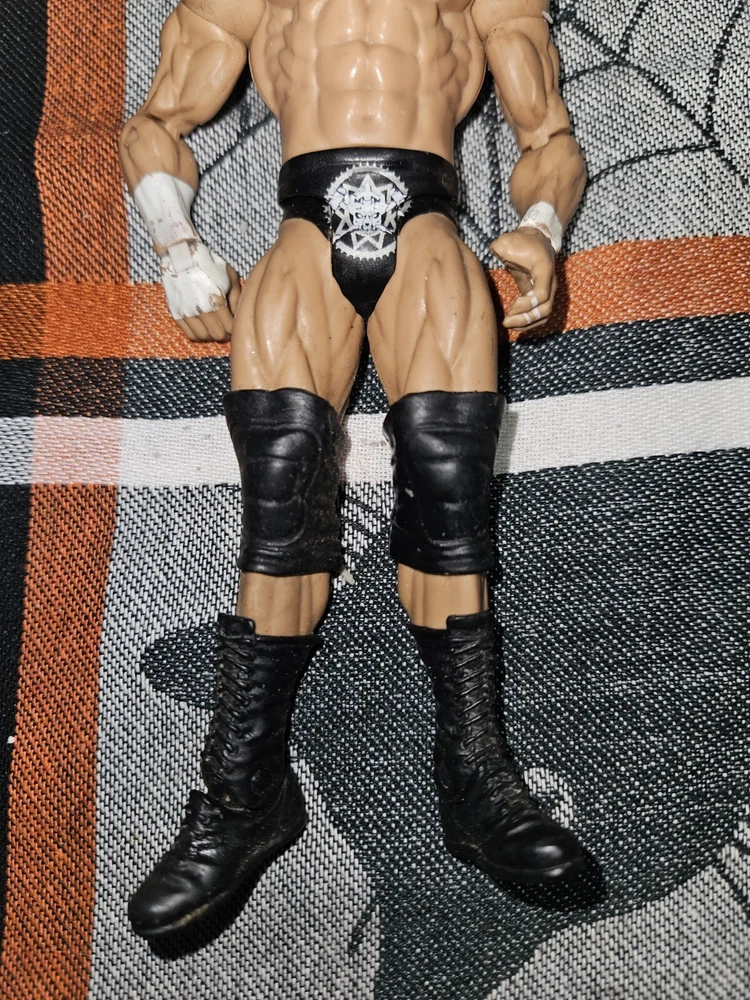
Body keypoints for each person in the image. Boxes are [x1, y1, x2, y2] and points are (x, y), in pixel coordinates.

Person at [119, 0, 588, 938]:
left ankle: (477, 780)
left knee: (450, 496)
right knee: (279, 502)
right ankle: (246, 793)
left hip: (430, 233)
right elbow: (155, 123)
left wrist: (542, 227)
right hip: (303, 231)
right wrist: (176, 243)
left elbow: (549, 138)